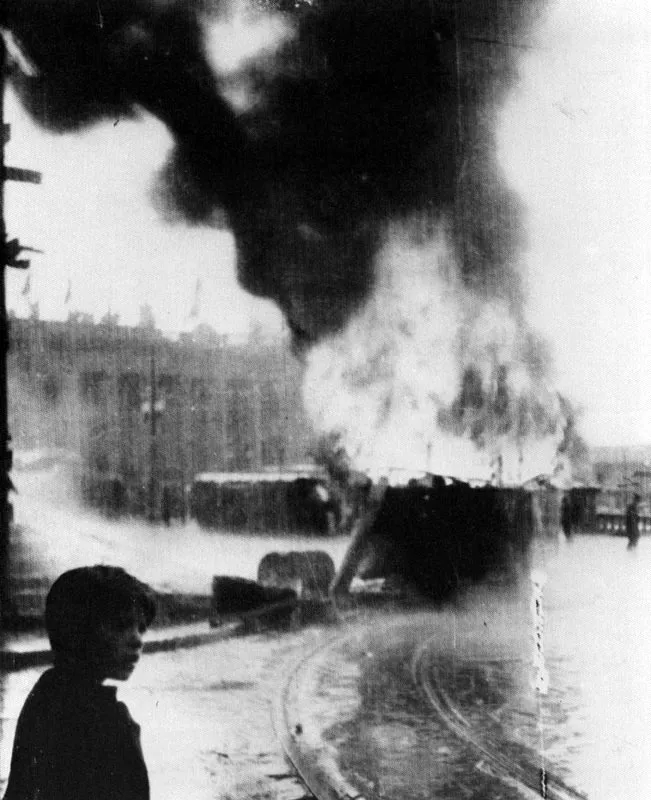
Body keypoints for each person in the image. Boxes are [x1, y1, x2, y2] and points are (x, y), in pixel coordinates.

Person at [3, 565, 156, 800]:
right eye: (121, 626)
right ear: (81, 629)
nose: (137, 641)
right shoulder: (106, 722)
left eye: (141, 629)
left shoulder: (47, 692)